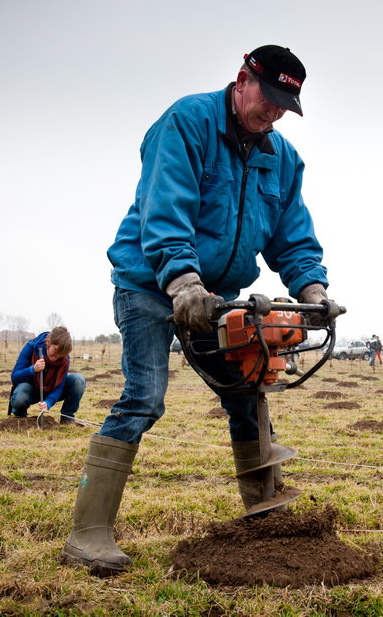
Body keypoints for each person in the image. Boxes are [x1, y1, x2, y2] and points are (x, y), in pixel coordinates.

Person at [60, 46, 334, 577]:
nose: (273, 113)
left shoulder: (283, 157)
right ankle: (87, 533)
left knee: (247, 390)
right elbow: (166, 206)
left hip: (219, 296)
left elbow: (292, 234)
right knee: (144, 396)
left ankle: (264, 520)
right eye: (269, 99)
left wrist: (314, 289)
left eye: (285, 106)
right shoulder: (187, 122)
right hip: (152, 284)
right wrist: (183, 281)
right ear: (241, 81)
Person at [8, 326, 85, 425]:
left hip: (51, 389)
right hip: (31, 390)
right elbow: (15, 377)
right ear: (48, 342)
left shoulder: (65, 358)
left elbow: (60, 387)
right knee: (20, 397)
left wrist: (48, 402)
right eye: (55, 350)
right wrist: (33, 369)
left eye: (61, 354)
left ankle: (67, 418)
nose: (57, 356)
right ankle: (20, 416)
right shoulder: (31, 347)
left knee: (78, 379)